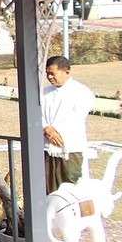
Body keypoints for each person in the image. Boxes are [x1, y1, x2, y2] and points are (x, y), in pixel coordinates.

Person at [41, 55, 95, 194]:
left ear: (66, 72)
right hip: (47, 148)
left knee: (71, 190)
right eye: (47, 73)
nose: (50, 77)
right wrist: (46, 128)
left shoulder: (82, 92)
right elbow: (37, 113)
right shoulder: (44, 93)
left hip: (70, 150)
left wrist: (55, 130)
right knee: (49, 190)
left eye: (53, 73)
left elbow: (76, 117)